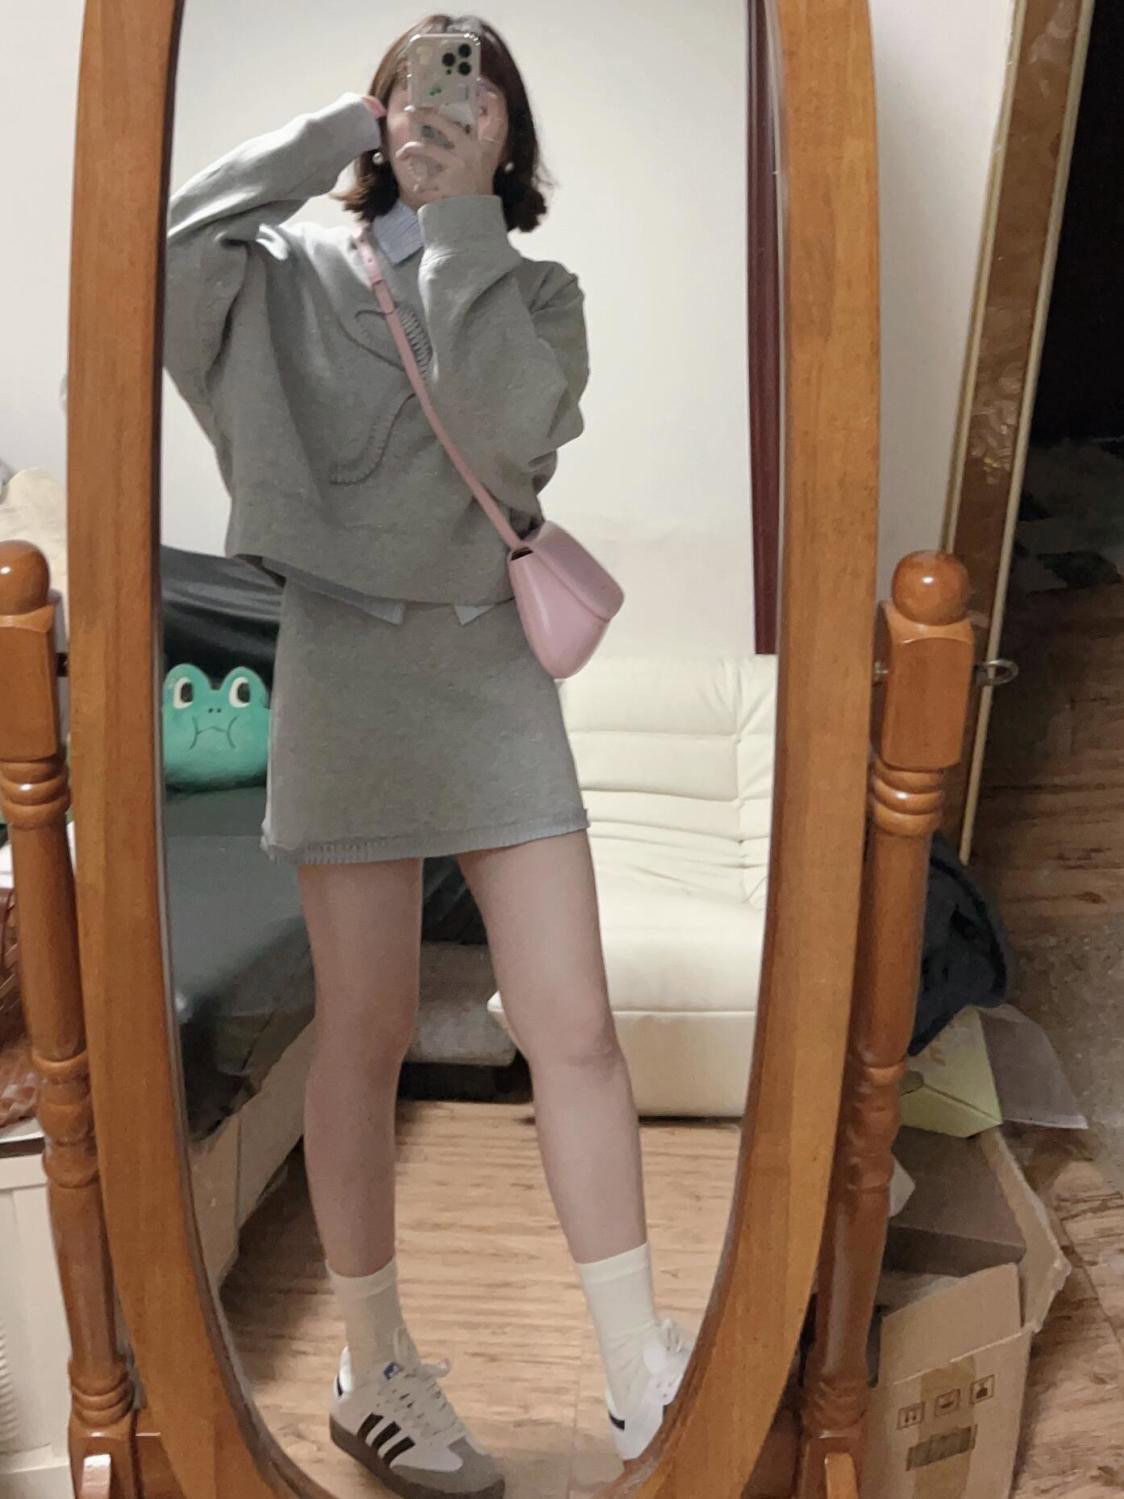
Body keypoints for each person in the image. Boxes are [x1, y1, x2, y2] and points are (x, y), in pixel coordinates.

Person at [165, 14, 692, 1498]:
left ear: (511, 134)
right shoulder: (284, 275)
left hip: (488, 671)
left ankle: (638, 1367)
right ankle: (372, 1367)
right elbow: (166, 251)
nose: (439, 107)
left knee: (573, 1022)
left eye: (473, 91)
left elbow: (506, 435)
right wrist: (335, 135)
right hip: (343, 667)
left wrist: (460, 225)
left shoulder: (538, 292)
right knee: (366, 1030)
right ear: (375, 111)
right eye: (412, 85)